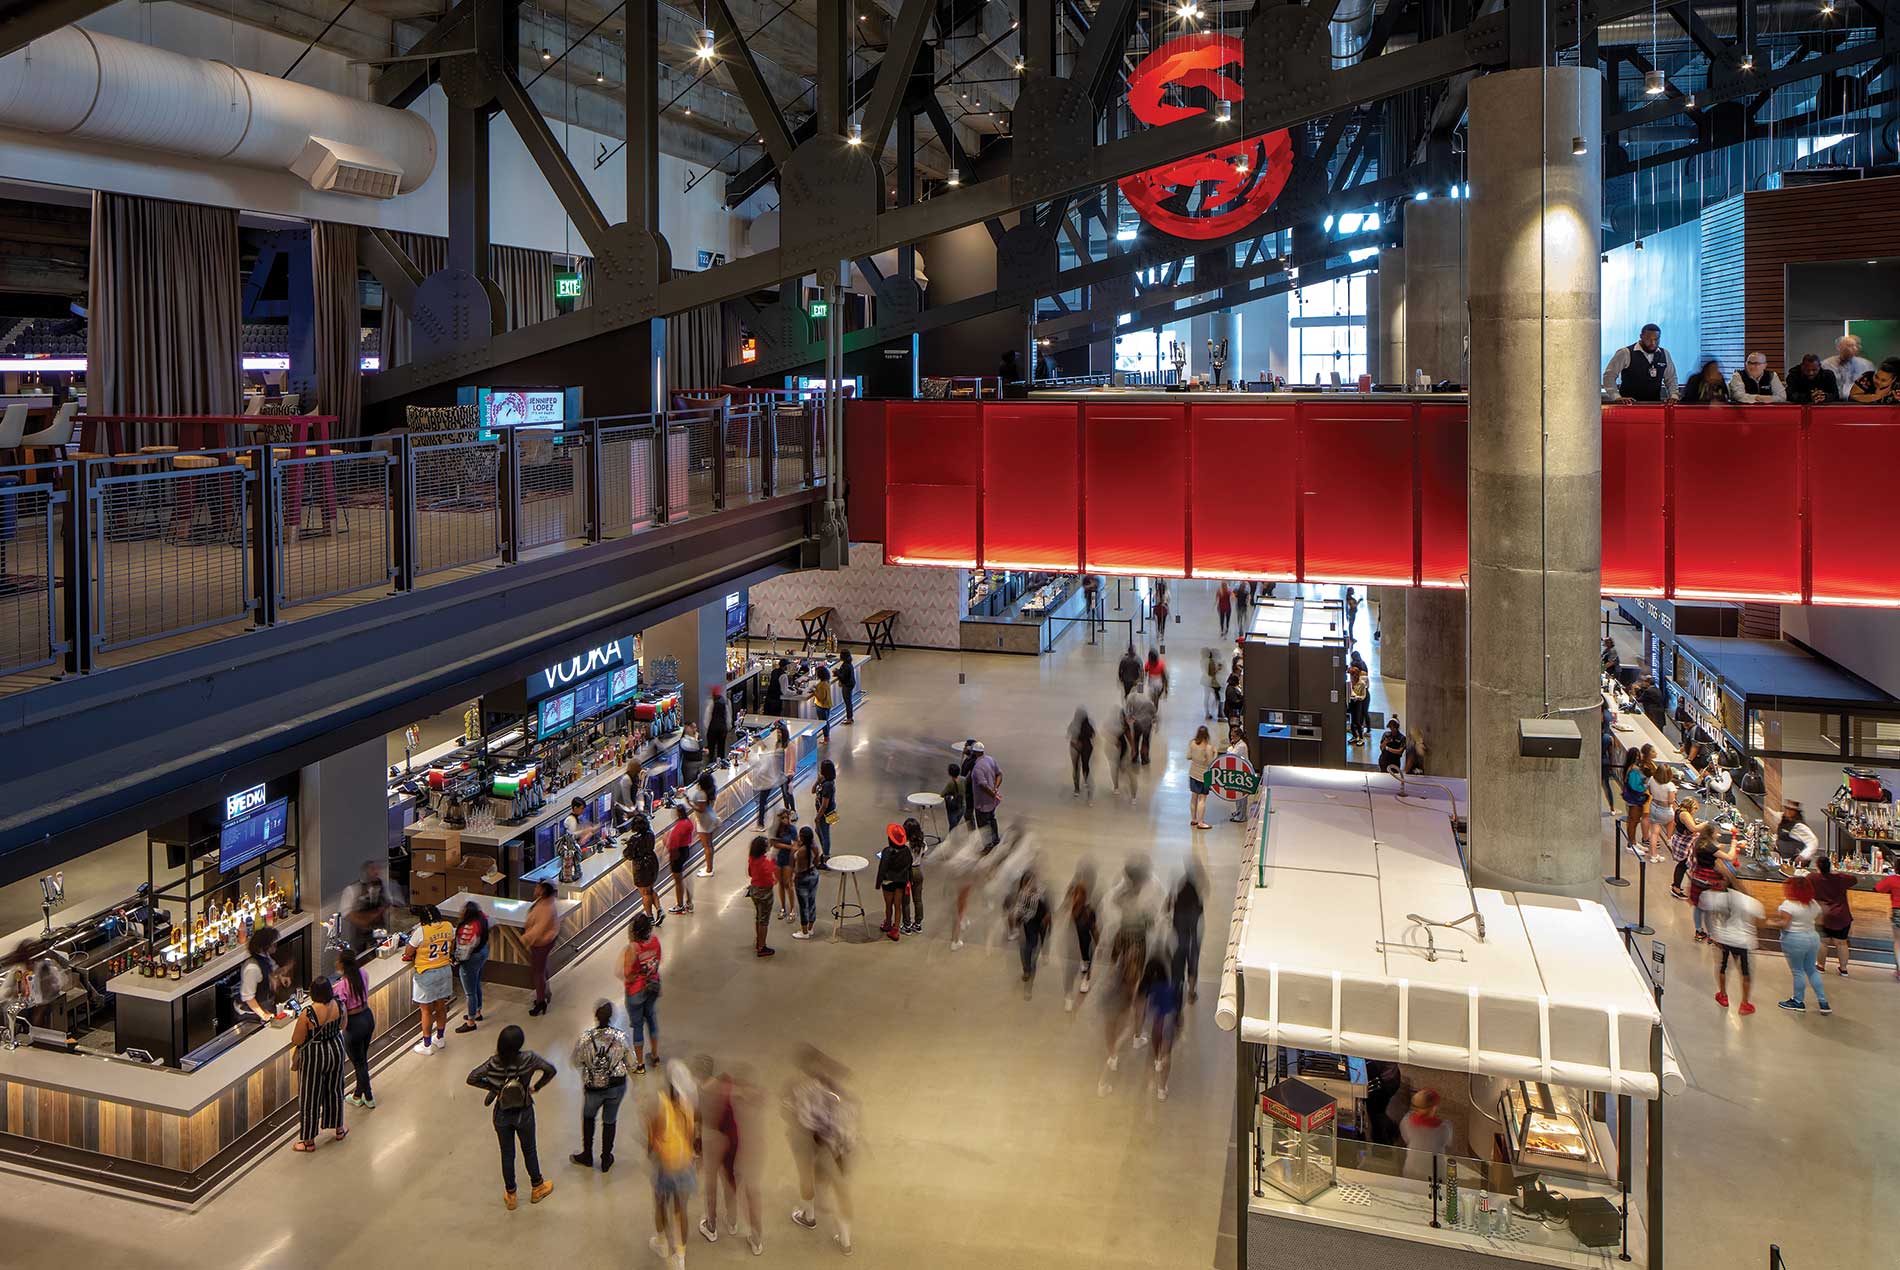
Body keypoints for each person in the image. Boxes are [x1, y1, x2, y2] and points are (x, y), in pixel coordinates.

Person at [468, 1024, 557, 1209]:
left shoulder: (493, 1062)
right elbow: (550, 1070)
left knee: (507, 1154)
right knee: (529, 1150)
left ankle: (511, 1195)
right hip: (524, 1112)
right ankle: (537, 1187)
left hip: (502, 1113)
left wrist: (495, 1088)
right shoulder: (529, 1058)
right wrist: (536, 1087)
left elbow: (473, 1077)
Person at [786, 1045, 858, 1255]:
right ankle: (845, 1240)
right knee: (841, 1188)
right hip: (844, 1144)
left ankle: (809, 1216)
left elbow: (802, 1120)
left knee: (805, 1173)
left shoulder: (802, 1089)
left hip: (819, 1142)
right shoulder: (837, 1088)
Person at [696, 1058, 764, 1255]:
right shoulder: (728, 1086)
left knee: (711, 1183)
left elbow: (699, 1119)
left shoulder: (701, 1092)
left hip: (712, 1141)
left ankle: (711, 1226)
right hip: (736, 1142)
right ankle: (733, 1222)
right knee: (731, 1181)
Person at [645, 1062, 699, 1268]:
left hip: (665, 1165)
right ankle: (681, 1257)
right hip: (685, 1163)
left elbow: (653, 1138)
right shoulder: (688, 1104)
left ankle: (661, 1243)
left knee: (660, 1203)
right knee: (680, 1209)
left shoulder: (659, 1102)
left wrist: (651, 1153)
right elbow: (692, 1134)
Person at [288, 977, 348, 1152]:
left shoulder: (308, 1013)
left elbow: (297, 1039)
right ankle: (339, 1129)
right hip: (336, 1048)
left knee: (310, 1095)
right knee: (335, 1089)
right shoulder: (339, 1005)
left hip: (315, 1055)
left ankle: (308, 1141)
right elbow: (343, 1025)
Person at [570, 999, 631, 1171]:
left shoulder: (585, 1038)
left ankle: (587, 1154)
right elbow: (631, 1063)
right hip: (616, 1086)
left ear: (595, 1016)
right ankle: (606, 1159)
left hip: (593, 1088)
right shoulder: (621, 1037)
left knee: (589, 1117)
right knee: (610, 1120)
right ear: (612, 1016)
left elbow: (576, 1061)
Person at [1765, 873, 1830, 1015]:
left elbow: (1785, 924)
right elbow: (1819, 920)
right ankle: (1823, 1002)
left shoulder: (1788, 905)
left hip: (1795, 939)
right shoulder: (1813, 903)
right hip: (1812, 937)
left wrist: (1770, 923)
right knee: (1812, 970)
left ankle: (1798, 1001)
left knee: (1798, 971)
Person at [1702, 871, 1763, 1015]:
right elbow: (1760, 914)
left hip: (1724, 939)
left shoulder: (1715, 898)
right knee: (1745, 972)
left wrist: (1713, 935)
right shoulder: (1747, 900)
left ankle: (1723, 995)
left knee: (1722, 967)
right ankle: (1745, 1004)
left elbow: (1706, 907)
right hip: (1743, 941)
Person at [402, 904, 456, 1051]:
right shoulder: (448, 926)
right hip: (445, 970)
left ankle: (426, 1045)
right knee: (441, 1007)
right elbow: (451, 942)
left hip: (426, 973)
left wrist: (408, 956)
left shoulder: (421, 931)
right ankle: (440, 1038)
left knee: (426, 1011)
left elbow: (409, 951)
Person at [333, 948, 376, 1108]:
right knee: (362, 1059)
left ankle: (369, 1096)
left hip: (354, 1024)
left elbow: (340, 1009)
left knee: (358, 1063)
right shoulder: (363, 973)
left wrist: (342, 1027)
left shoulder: (341, 986)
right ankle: (358, 1095)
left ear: (342, 964)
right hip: (367, 1017)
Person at [621, 914, 663, 1072]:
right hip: (653, 986)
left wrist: (637, 976)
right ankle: (655, 1055)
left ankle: (640, 1065)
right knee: (651, 1020)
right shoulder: (655, 941)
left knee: (638, 1026)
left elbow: (628, 974)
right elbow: (658, 960)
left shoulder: (633, 949)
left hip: (636, 991)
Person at [1141, 949, 1182, 1100]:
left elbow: (1149, 1008)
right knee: (1167, 1053)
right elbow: (1176, 1007)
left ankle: (1157, 1063)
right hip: (1168, 1021)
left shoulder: (1151, 988)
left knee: (1154, 1049)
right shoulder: (1171, 987)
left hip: (1156, 1022)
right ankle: (1161, 1088)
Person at [1602, 322, 1679, 403]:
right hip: (1628, 406)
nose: (1653, 343)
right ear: (1641, 336)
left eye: (1656, 339)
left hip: (1655, 406)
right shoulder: (1625, 353)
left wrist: (1674, 396)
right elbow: (1609, 376)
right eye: (1649, 339)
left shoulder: (1664, 354)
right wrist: (1616, 397)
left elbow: (1671, 378)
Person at [1810, 855, 1860, 976]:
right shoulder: (1840, 878)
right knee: (1842, 943)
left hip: (1823, 915)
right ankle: (1843, 969)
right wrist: (1836, 873)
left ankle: (1821, 966)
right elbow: (1854, 879)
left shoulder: (1812, 878)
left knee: (1822, 942)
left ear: (1817, 867)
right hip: (1841, 915)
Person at [340, 860, 400, 956]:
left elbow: (389, 905)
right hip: (360, 936)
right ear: (365, 873)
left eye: (377, 869)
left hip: (379, 932)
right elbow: (347, 913)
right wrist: (370, 917)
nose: (377, 872)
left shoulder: (382, 886)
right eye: (373, 869)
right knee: (361, 957)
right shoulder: (353, 889)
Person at [1063, 862, 1099, 1013]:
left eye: (1080, 895)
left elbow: (1094, 930)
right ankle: (1068, 997)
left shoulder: (1089, 911)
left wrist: (1099, 944)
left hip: (1084, 944)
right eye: (1074, 894)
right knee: (1069, 971)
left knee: (1087, 961)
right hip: (1072, 947)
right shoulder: (1069, 911)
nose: (1076, 897)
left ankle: (1086, 979)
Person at [1011, 868, 1052, 998]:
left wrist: (1047, 920)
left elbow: (1043, 913)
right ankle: (1026, 970)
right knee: (1025, 952)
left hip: (1038, 926)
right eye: (1025, 884)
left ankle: (1029, 988)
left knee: (1033, 956)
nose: (1028, 886)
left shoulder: (1040, 895)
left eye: (1030, 883)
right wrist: (1016, 920)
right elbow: (1017, 911)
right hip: (1027, 928)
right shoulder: (1021, 896)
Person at [452, 900, 490, 1034]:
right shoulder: (482, 918)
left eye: (463, 910)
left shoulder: (468, 928)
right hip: (482, 953)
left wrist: (455, 961)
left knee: (469, 993)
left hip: (470, 960)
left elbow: (463, 951)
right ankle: (477, 1011)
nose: (460, 912)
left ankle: (471, 1021)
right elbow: (493, 922)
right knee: (476, 984)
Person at [622, 810, 664, 930]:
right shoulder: (650, 833)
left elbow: (628, 855)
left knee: (645, 893)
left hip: (641, 867)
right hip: (652, 863)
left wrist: (629, 845)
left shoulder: (634, 839)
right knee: (650, 889)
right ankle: (659, 910)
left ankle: (650, 917)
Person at [1399, 1088, 1454, 1180]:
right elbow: (1447, 1142)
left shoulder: (1406, 1121)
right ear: (1434, 1107)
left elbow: (1406, 1138)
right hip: (1435, 1172)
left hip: (1411, 1169)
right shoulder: (1444, 1127)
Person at [523, 883, 560, 1017]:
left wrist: (526, 938)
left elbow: (539, 929)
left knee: (538, 972)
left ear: (543, 891)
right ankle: (544, 993)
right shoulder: (544, 903)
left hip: (542, 943)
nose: (535, 889)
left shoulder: (546, 908)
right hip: (542, 941)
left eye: (538, 887)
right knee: (541, 968)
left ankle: (540, 1001)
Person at [1171, 866, 1205, 1004]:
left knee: (1178, 966)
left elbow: (1173, 924)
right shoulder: (1196, 906)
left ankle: (1176, 993)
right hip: (1193, 941)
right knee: (1193, 964)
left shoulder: (1178, 905)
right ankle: (1191, 993)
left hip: (1179, 942)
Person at [238, 925, 286, 1023]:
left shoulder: (265, 956)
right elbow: (248, 998)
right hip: (250, 1013)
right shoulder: (252, 968)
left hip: (265, 1004)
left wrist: (281, 977)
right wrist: (263, 1015)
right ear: (266, 946)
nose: (276, 945)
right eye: (274, 944)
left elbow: (273, 968)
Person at [876, 822, 912, 941]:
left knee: (888, 905)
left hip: (888, 881)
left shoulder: (887, 851)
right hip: (901, 881)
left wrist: (878, 883)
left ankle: (887, 924)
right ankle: (895, 930)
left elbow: (882, 868)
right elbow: (909, 865)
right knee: (898, 906)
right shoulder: (906, 851)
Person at [1667, 795, 1708, 898]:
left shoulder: (1679, 811)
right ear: (1690, 806)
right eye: (1695, 808)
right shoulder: (1685, 814)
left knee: (1682, 865)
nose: (1695, 811)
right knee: (1682, 865)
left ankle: (1676, 885)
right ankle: (1676, 888)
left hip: (1681, 839)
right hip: (1684, 842)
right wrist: (1704, 824)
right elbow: (1693, 828)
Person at [746, 835, 778, 958]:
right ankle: (762, 947)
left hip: (754, 890)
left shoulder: (752, 858)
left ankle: (758, 940)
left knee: (758, 917)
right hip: (765, 893)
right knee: (764, 920)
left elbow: (750, 873)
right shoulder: (766, 863)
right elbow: (772, 881)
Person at [792, 825, 823, 940]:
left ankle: (804, 932)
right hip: (813, 875)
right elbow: (816, 862)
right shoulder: (814, 847)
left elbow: (798, 869)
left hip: (802, 878)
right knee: (812, 902)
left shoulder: (801, 852)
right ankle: (810, 928)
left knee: (803, 905)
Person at [970, 741, 1003, 847]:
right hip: (992, 802)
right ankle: (996, 840)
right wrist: (995, 789)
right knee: (992, 819)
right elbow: (999, 774)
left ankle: (988, 845)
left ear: (975, 752)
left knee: (983, 825)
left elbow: (982, 786)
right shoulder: (991, 760)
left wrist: (992, 793)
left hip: (982, 803)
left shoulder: (977, 768)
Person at [664, 805, 696, 915]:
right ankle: (689, 903)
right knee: (686, 879)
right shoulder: (689, 822)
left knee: (678, 881)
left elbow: (672, 845)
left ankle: (680, 905)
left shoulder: (679, 827)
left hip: (678, 855)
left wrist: (666, 841)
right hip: (686, 851)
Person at [769, 807, 798, 921]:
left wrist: (790, 849)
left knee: (788, 883)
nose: (786, 820)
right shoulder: (774, 830)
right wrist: (787, 846)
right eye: (783, 818)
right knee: (780, 883)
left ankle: (792, 909)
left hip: (788, 859)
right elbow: (772, 843)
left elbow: (795, 844)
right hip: (777, 858)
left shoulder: (792, 829)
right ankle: (782, 907)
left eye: (787, 817)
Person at [1186, 725, 1217, 830]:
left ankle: (1193, 819)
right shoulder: (1208, 748)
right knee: (1202, 799)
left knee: (1194, 797)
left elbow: (1188, 756)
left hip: (1193, 773)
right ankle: (1201, 822)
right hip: (1203, 775)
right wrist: (1215, 753)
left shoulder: (1192, 743)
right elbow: (1211, 763)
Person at [1645, 760, 1678, 857]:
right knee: (1671, 821)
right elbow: (1671, 801)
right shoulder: (1670, 785)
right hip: (1665, 810)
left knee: (1654, 833)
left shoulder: (1651, 779)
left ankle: (1653, 855)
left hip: (1653, 806)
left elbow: (1650, 792)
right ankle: (1669, 839)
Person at [1621, 751, 1651, 854]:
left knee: (1634, 821)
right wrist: (1645, 786)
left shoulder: (1631, 768)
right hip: (1634, 799)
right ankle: (1631, 844)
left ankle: (1633, 841)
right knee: (1633, 821)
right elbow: (1635, 786)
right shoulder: (1633, 770)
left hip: (1634, 799)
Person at [902, 816, 928, 935]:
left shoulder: (905, 845)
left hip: (907, 872)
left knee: (905, 900)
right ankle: (918, 924)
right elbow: (922, 855)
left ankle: (907, 925)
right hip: (918, 870)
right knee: (918, 899)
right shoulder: (922, 843)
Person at [692, 777, 719, 879]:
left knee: (707, 846)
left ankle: (709, 869)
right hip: (709, 817)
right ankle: (709, 866)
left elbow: (701, 809)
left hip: (704, 820)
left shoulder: (702, 795)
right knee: (709, 845)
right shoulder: (710, 792)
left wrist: (690, 804)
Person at [774, 718, 799, 820]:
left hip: (787, 774)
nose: (778, 734)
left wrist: (790, 773)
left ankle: (793, 810)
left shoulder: (790, 745)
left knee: (788, 793)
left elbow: (793, 761)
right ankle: (786, 809)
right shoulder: (778, 744)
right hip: (779, 773)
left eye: (780, 732)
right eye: (777, 732)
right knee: (784, 794)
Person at [812, 758, 838, 857]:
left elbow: (824, 805)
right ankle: (825, 850)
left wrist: (818, 817)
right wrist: (817, 782)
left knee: (824, 833)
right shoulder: (824, 782)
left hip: (826, 813)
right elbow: (813, 791)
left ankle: (826, 855)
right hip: (825, 811)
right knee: (819, 831)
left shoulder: (828, 785)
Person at [1126, 686, 1158, 765]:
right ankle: (1144, 758)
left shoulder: (1132, 698)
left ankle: (1135, 756)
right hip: (1147, 723)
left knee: (1136, 739)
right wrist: (1154, 719)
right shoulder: (1149, 702)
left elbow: (1128, 711)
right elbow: (1154, 712)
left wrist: (1131, 717)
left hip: (1137, 723)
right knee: (1145, 741)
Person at [1069, 707, 1096, 800]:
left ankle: (1077, 789)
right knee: (1085, 766)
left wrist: (1076, 744)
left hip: (1076, 748)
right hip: (1086, 747)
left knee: (1076, 768)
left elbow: (1071, 739)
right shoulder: (1089, 726)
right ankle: (1087, 785)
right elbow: (1093, 736)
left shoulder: (1073, 725)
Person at [705, 683, 731, 768]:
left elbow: (707, 716)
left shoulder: (711, 702)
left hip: (713, 728)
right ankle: (721, 763)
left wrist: (707, 728)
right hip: (722, 728)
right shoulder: (726, 701)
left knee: (711, 748)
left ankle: (711, 764)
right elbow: (728, 715)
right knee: (721, 747)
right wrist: (728, 726)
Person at [1346, 664, 1370, 745]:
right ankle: (1355, 736)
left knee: (1357, 721)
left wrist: (1358, 697)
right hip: (1351, 702)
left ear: (1356, 675)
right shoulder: (1350, 683)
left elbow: (1364, 695)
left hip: (1358, 703)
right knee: (1352, 722)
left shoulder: (1362, 683)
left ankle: (1361, 738)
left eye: (1352, 675)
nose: (1351, 677)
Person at [940, 762, 966, 832]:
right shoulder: (963, 779)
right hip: (962, 805)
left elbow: (942, 794)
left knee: (952, 827)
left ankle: (952, 841)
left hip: (954, 807)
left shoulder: (951, 783)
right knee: (955, 825)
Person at [812, 664, 834, 742]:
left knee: (823, 723)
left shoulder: (822, 685)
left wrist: (814, 692)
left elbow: (821, 698)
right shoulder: (826, 682)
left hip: (822, 706)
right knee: (826, 721)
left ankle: (826, 738)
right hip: (827, 705)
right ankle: (827, 737)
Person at [836, 648, 856, 725]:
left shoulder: (846, 666)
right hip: (850, 684)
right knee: (848, 701)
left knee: (847, 702)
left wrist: (837, 673)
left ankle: (849, 718)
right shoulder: (848, 664)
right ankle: (849, 717)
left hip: (847, 685)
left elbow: (843, 677)